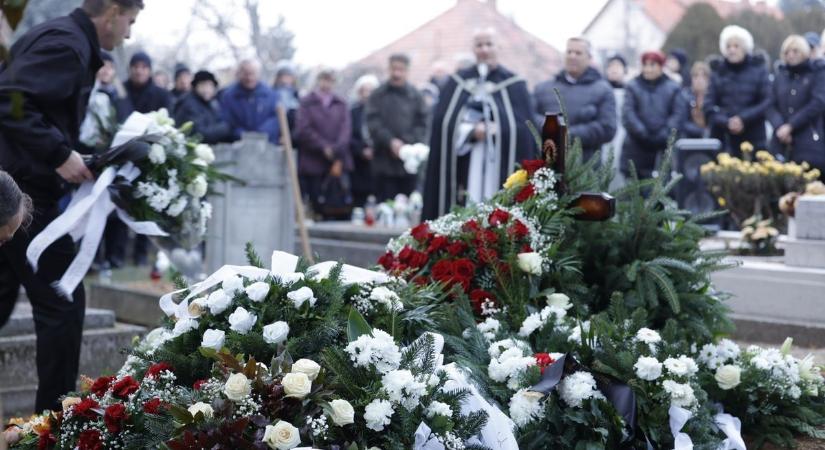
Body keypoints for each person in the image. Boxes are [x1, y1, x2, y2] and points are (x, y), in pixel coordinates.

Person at [0, 0, 142, 412]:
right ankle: (54, 420)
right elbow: (10, 100)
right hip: (20, 195)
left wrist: (74, 155)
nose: (128, 33)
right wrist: (60, 153)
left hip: (20, 178)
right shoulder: (67, 43)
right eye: (130, 22)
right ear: (113, 11)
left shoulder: (64, 37)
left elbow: (32, 106)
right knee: (63, 298)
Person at [422, 27, 537, 220]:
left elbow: (526, 129)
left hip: (499, 163)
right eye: (479, 45)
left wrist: (499, 130)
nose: (484, 49)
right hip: (466, 160)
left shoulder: (513, 83)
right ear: (473, 49)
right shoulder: (458, 82)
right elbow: (443, 123)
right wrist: (469, 131)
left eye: (489, 44)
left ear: (498, 47)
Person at [123, 50, 172, 266]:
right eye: (136, 66)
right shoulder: (122, 90)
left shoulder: (161, 94)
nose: (139, 70)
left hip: (151, 156)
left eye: (143, 67)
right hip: (122, 153)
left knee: (146, 206)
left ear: (149, 70)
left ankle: (141, 253)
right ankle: (117, 253)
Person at [534, 37, 616, 164]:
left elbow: (607, 128)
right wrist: (549, 128)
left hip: (586, 169)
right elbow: (529, 116)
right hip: (547, 166)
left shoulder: (603, 90)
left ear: (589, 58)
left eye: (578, 53)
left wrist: (567, 135)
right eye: (569, 52)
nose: (572, 56)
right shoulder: (542, 88)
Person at [366, 54, 429, 202]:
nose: (396, 74)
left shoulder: (416, 96)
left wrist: (404, 145)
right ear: (389, 69)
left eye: (401, 69)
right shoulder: (377, 95)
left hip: (410, 164)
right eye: (394, 69)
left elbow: (423, 124)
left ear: (407, 71)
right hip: (383, 162)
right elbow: (372, 122)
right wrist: (390, 142)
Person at [704, 25, 772, 155]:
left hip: (754, 137)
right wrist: (726, 122)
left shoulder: (759, 70)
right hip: (723, 138)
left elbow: (766, 101)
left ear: (745, 48)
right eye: (728, 46)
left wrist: (743, 119)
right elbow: (708, 105)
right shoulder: (717, 72)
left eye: (736, 46)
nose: (732, 50)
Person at [294, 69, 352, 219]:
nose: (326, 84)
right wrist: (323, 146)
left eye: (330, 80)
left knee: (337, 204)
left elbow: (346, 129)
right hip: (313, 161)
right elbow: (303, 129)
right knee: (316, 202)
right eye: (324, 79)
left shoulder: (341, 103)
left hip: (337, 160)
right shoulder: (307, 102)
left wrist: (336, 149)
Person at [621, 51, 685, 179]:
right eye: (645, 65)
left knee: (661, 191)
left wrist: (664, 134)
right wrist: (643, 133)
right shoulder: (632, 86)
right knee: (633, 192)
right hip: (636, 148)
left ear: (661, 66)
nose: (648, 69)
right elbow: (628, 113)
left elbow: (678, 115)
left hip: (663, 149)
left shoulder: (673, 88)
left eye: (652, 65)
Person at [767, 35, 825, 174]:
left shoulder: (816, 73)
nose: (791, 55)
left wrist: (791, 126)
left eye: (795, 51)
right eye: (787, 52)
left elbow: (817, 103)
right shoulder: (780, 76)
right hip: (781, 141)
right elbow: (769, 105)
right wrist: (780, 127)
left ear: (804, 52)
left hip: (809, 141)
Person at [219, 59, 280, 144]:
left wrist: (261, 133)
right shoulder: (228, 95)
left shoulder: (270, 94)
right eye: (246, 74)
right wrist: (243, 135)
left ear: (258, 74)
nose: (249, 78)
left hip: (266, 144)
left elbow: (275, 118)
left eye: (253, 74)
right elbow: (227, 120)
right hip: (237, 145)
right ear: (239, 74)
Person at [174, 70, 233, 144]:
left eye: (210, 85)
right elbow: (199, 135)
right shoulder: (188, 104)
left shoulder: (211, 104)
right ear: (195, 86)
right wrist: (226, 128)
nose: (207, 89)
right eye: (203, 85)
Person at [349, 74, 380, 207]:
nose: (367, 94)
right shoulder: (353, 111)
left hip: (378, 161)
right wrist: (361, 150)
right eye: (364, 90)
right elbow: (348, 135)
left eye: (370, 90)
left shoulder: (381, 112)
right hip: (358, 162)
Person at [681, 62, 712, 138]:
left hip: (713, 139)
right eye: (696, 76)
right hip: (689, 139)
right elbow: (682, 121)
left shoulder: (713, 97)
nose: (699, 80)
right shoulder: (684, 96)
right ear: (691, 79)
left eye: (703, 76)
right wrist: (703, 132)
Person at [273, 60, 300, 133]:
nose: (285, 79)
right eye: (282, 75)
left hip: (292, 135)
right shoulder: (271, 94)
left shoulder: (297, 95)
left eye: (288, 75)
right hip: (275, 133)